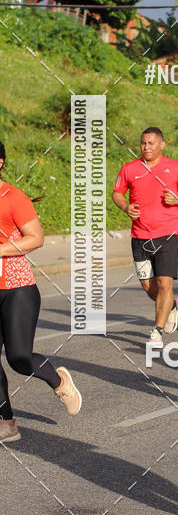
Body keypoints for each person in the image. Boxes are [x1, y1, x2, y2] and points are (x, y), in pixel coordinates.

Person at [0, 142, 81, 443]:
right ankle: (7, 423)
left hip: (17, 288)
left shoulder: (13, 197)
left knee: (19, 358)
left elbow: (36, 238)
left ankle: (58, 380)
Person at [112, 127, 178, 348]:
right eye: (143, 143)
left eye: (150, 143)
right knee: (149, 287)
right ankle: (172, 307)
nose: (146, 147)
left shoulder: (176, 167)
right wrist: (125, 206)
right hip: (139, 235)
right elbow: (117, 193)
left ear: (162, 145)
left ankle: (157, 331)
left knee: (164, 282)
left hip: (168, 233)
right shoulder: (130, 168)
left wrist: (177, 200)